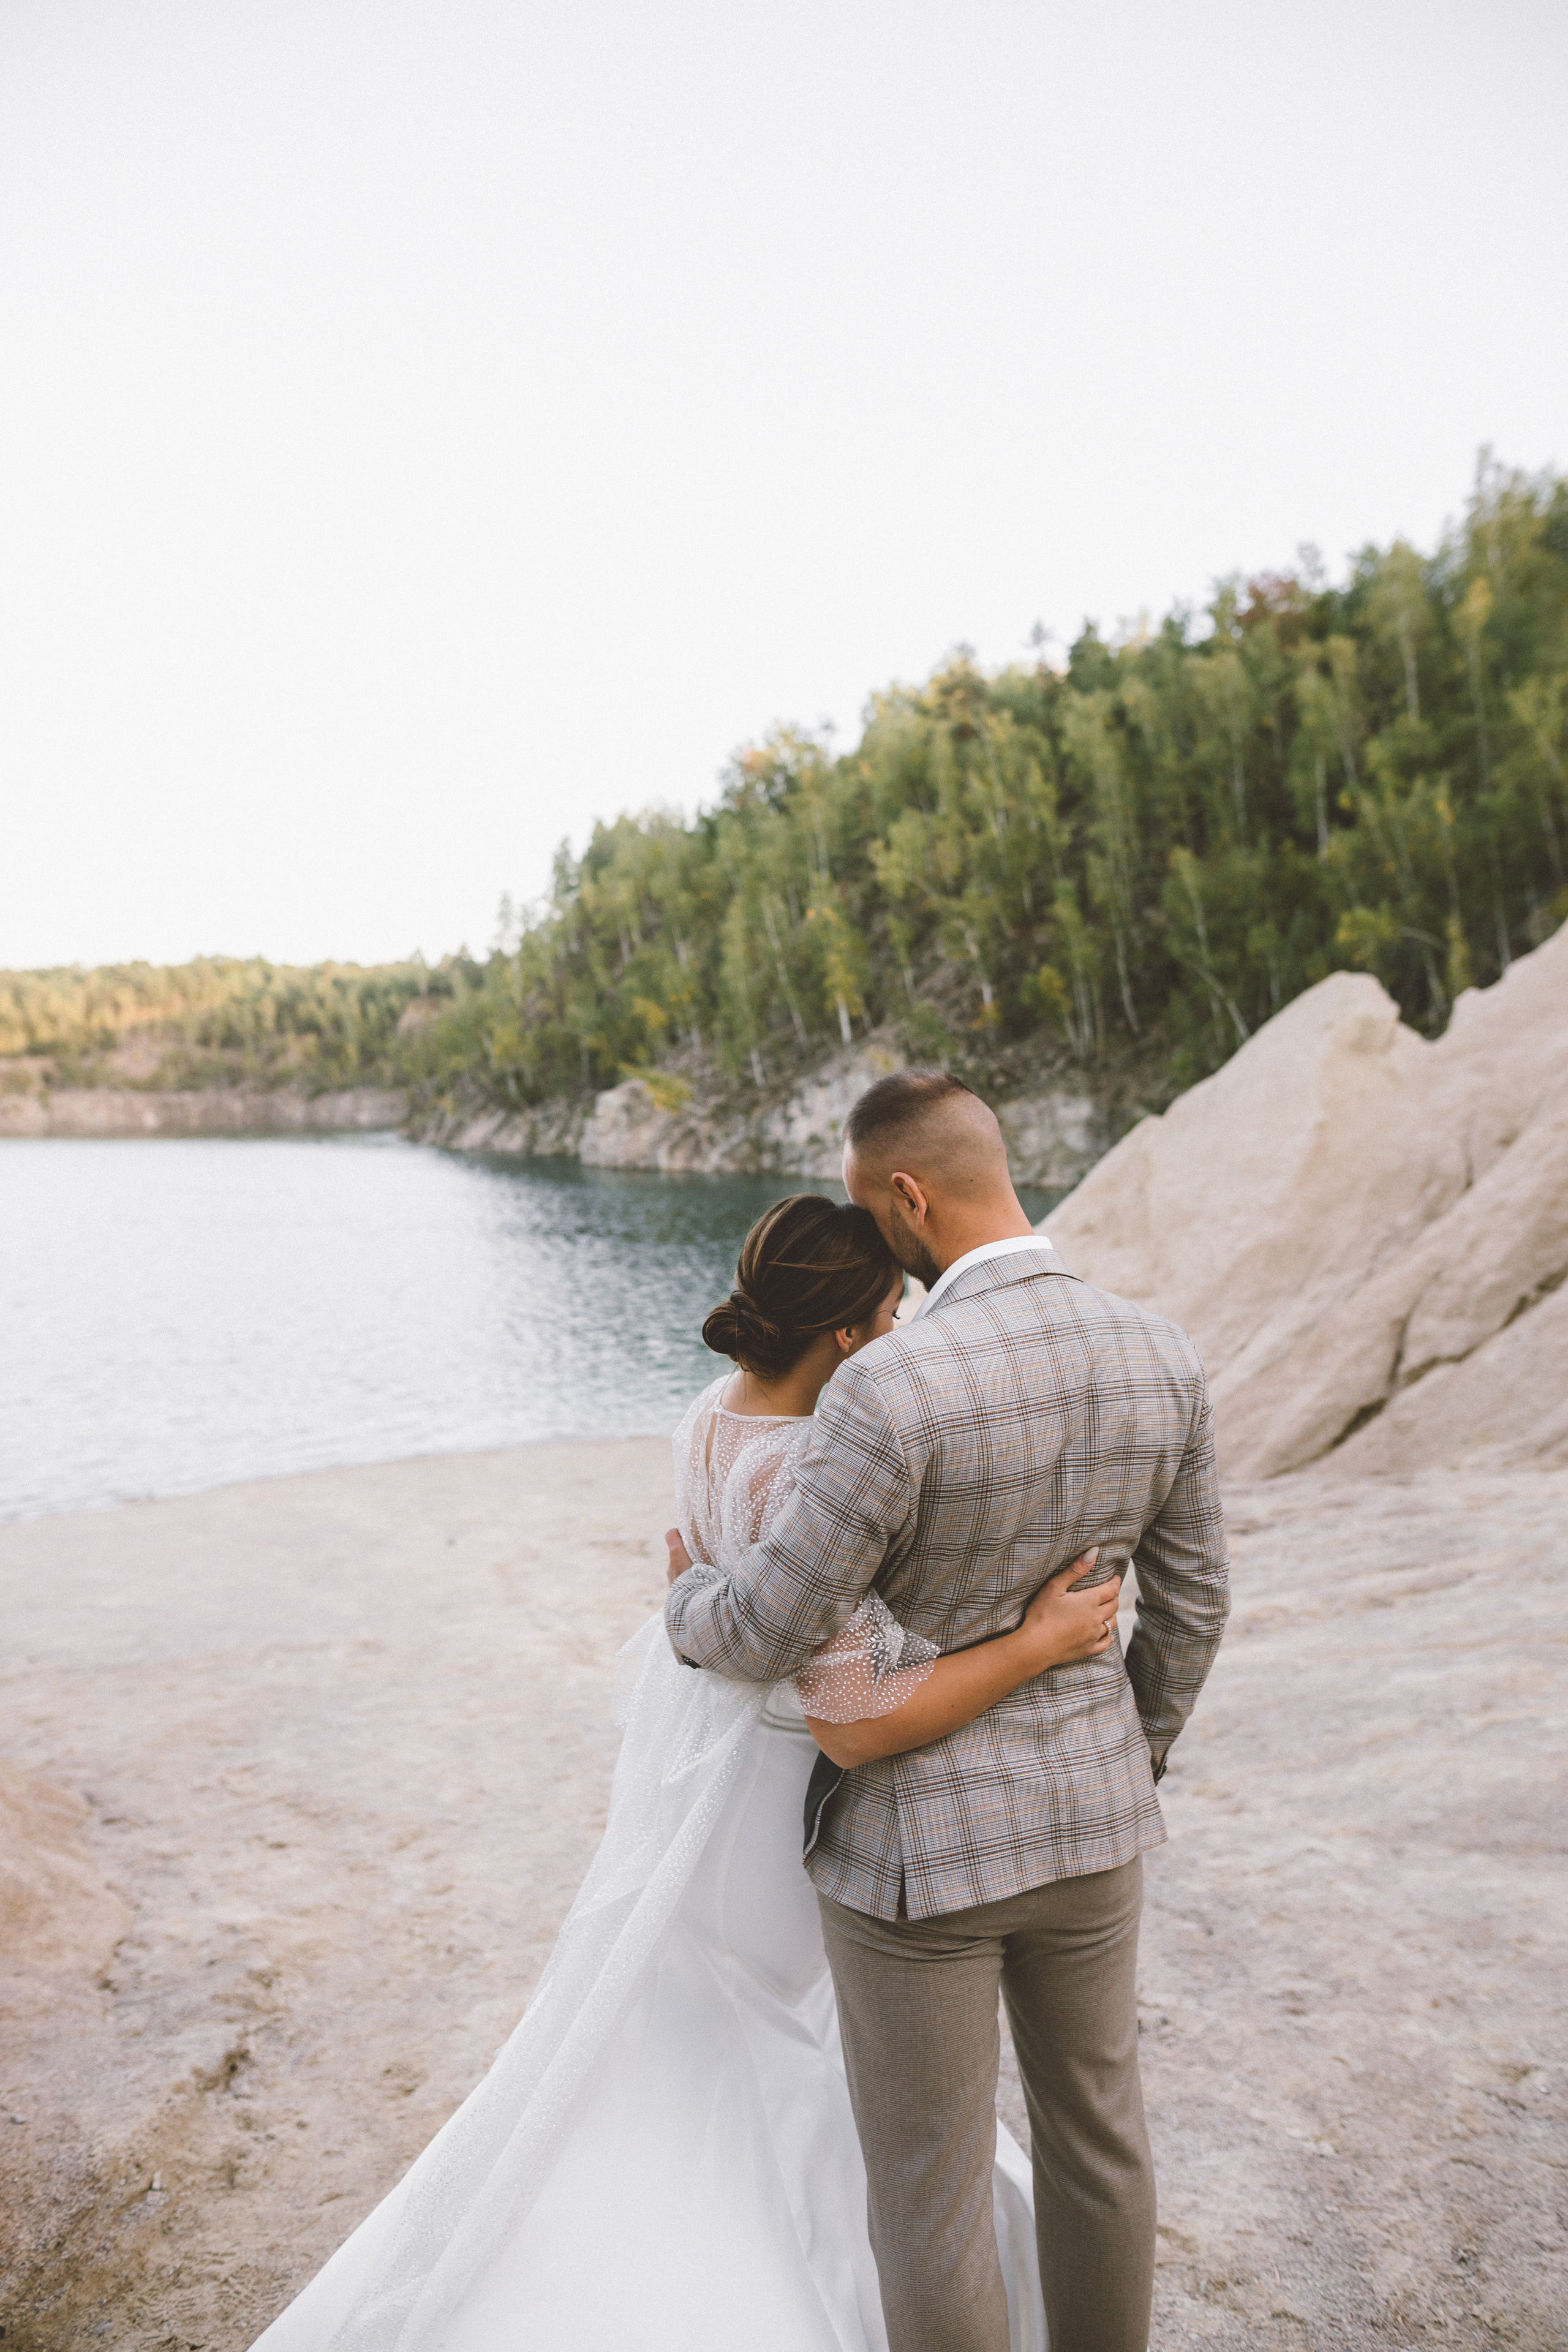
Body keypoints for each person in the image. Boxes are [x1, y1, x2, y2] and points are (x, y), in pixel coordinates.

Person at [251, 1191, 1118, 2352]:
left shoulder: (710, 1418)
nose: (910, 1330)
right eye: (897, 1310)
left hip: (704, 1794)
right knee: (804, 2047)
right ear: (854, 1334)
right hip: (783, 1814)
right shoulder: (826, 1460)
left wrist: (690, 1602)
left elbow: (707, 1592)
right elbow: (856, 1708)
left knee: (714, 2041)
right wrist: (1035, 1643)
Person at [666, 1072, 1231, 2352]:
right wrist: (1113, 1758)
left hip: (915, 1867)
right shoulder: (1161, 1350)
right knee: (1101, 2144)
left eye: (875, 1216)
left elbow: (768, 1630)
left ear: (907, 1196)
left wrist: (684, 1602)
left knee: (929, 2196)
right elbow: (1192, 1613)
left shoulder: (886, 1389)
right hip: (1093, 1834)